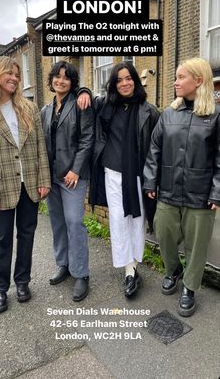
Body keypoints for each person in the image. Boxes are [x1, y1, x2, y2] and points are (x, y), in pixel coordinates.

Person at [143, 57, 220, 316]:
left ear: (199, 80)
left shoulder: (215, 115)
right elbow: (154, 149)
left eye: (181, 77)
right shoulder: (168, 113)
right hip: (168, 192)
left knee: (197, 246)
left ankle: (189, 286)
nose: (175, 82)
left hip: (200, 196)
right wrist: (150, 180)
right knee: (163, 234)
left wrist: (217, 192)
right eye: (175, 77)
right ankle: (174, 269)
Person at [80, 62, 159, 298]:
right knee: (117, 221)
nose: (124, 83)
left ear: (135, 80)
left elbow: (156, 149)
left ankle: (132, 268)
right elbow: (82, 95)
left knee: (137, 220)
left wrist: (153, 181)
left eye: (128, 78)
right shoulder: (105, 105)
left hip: (138, 175)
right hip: (112, 173)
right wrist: (83, 91)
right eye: (119, 80)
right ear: (113, 84)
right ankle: (128, 271)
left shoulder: (149, 111)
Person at [0, 56, 51, 313]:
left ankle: (22, 281)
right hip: (2, 187)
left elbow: (39, 148)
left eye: (17, 74)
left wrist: (44, 180)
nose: (14, 78)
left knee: (27, 235)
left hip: (29, 184)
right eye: (9, 74)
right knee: (2, 240)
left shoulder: (28, 108)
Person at [41, 60, 94, 302]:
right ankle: (63, 265)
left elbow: (87, 139)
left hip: (73, 177)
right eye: (57, 76)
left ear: (73, 82)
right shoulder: (45, 110)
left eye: (66, 77)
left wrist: (75, 170)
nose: (60, 80)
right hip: (51, 178)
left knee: (74, 222)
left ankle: (81, 273)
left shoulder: (81, 104)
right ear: (51, 80)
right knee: (58, 223)